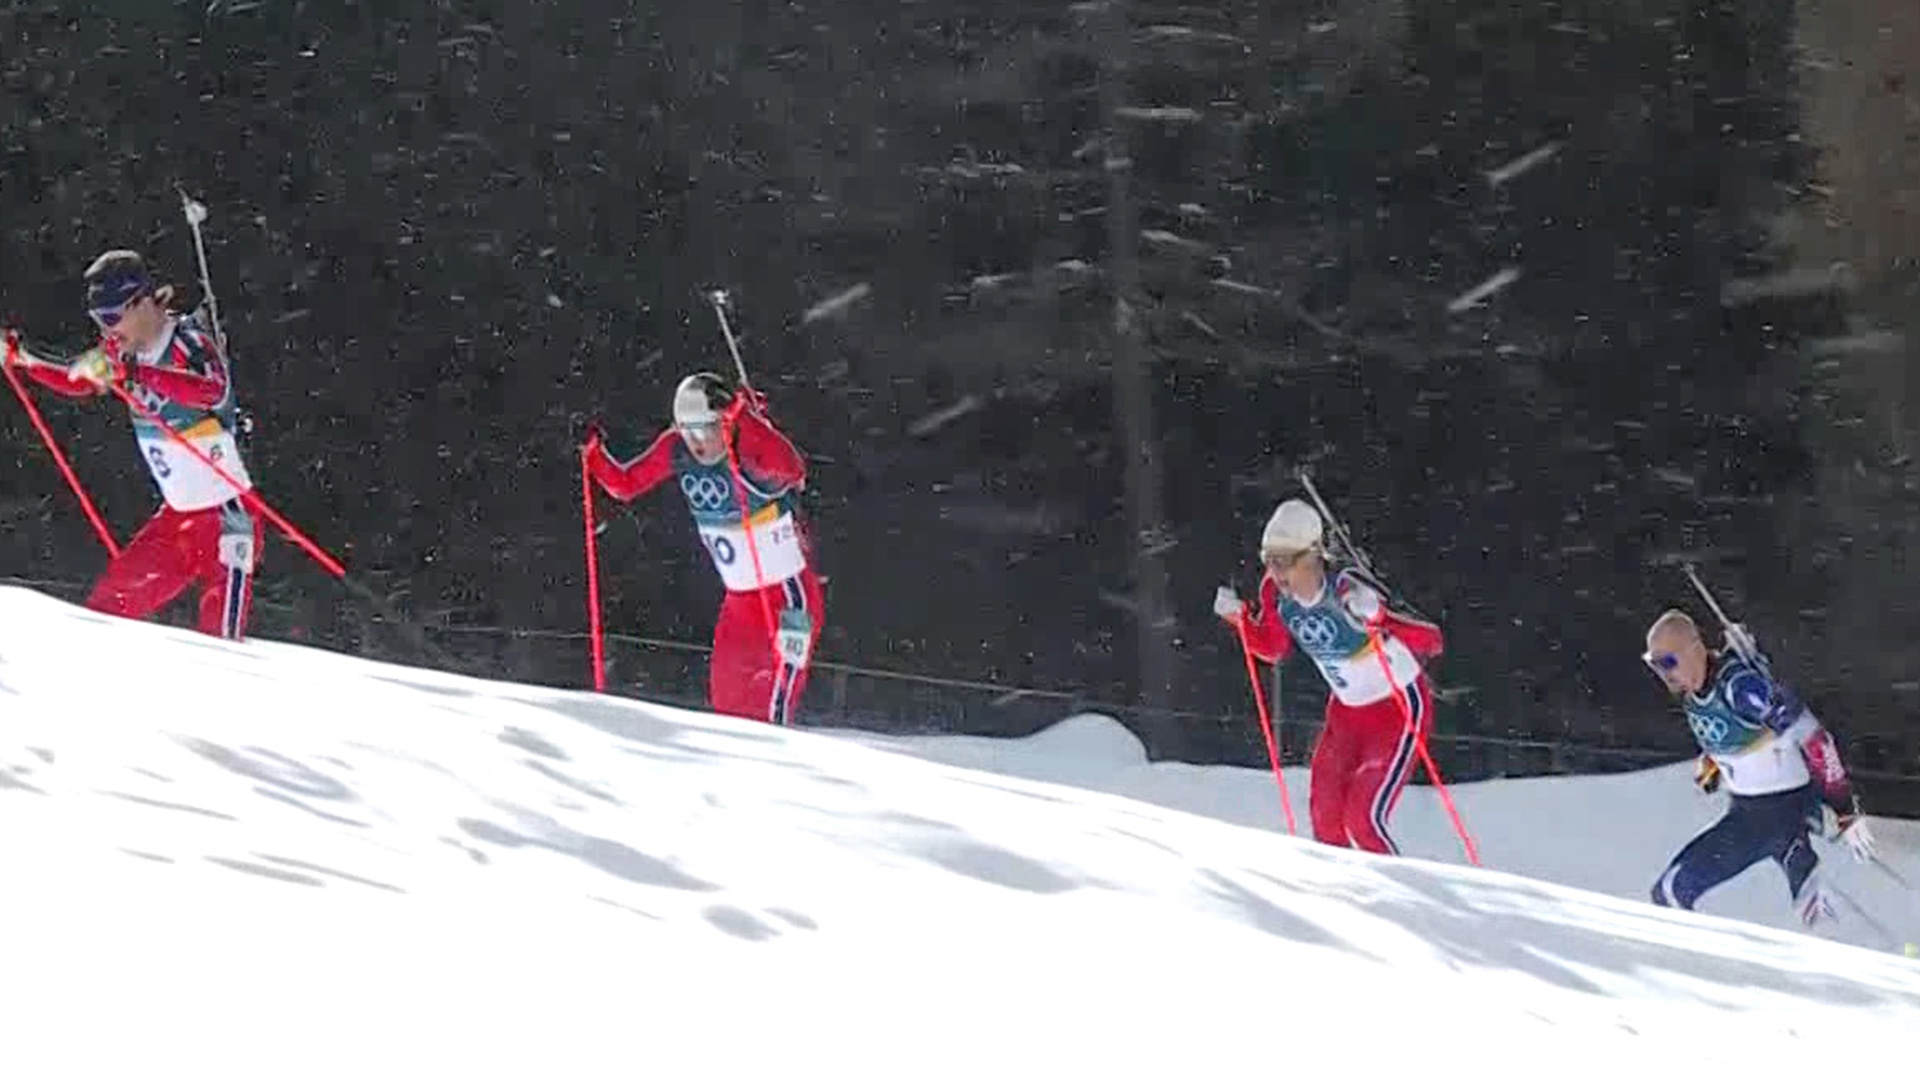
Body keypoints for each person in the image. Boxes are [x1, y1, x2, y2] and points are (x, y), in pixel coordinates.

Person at [7, 249, 262, 640]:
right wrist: (23, 360)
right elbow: (80, 381)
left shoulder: (187, 341)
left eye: (111, 317)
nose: (108, 330)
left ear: (142, 302)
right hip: (177, 519)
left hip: (228, 519)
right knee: (106, 615)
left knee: (221, 646)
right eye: (98, 319)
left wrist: (142, 375)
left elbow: (213, 388)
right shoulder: (118, 353)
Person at [583, 373, 823, 725]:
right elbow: (626, 484)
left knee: (774, 705)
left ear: (722, 422)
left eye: (705, 430)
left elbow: (791, 467)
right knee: (727, 701)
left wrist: (745, 417)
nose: (697, 442)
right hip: (740, 602)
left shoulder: (744, 447)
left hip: (790, 597)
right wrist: (593, 454)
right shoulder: (677, 449)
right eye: (687, 430)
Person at [1213, 498, 1444, 854]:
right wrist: (1240, 619)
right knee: (1326, 820)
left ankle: (1401, 902)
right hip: (1346, 713)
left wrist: (1378, 616)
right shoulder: (1275, 593)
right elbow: (1273, 648)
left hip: (1397, 709)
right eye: (1268, 560)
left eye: (1283, 561)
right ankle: (1344, 901)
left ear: (1311, 557)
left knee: (1362, 820)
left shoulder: (1346, 587)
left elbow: (1431, 640)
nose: (1274, 572)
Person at [1641, 609, 1876, 926]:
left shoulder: (1741, 688)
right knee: (1823, 920)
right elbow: (1731, 735)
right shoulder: (1695, 689)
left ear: (1694, 649)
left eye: (1668, 662)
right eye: (1654, 664)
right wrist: (1712, 764)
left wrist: (1844, 807)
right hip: (1750, 811)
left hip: (1770, 814)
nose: (1664, 674)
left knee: (1670, 893)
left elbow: (1815, 738)